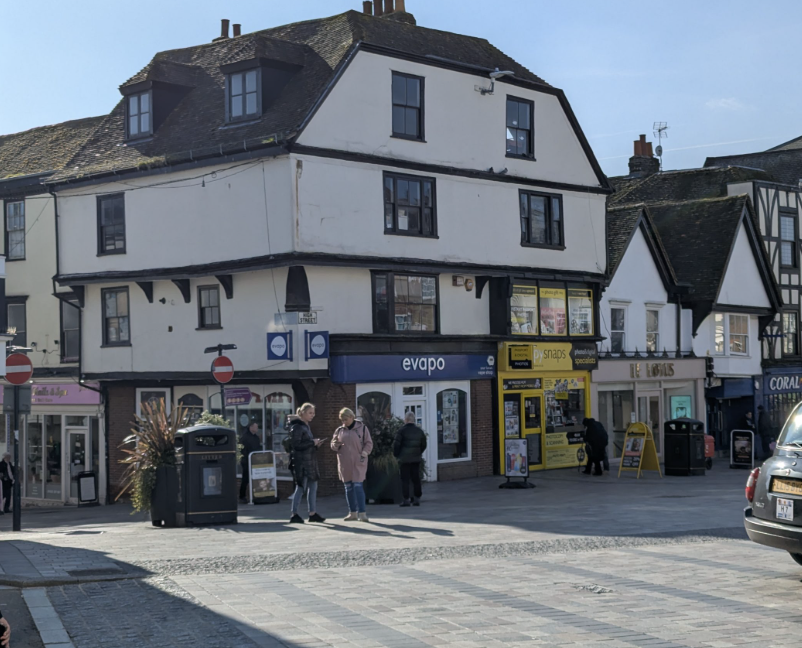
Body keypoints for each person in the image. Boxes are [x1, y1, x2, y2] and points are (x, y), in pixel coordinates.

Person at [331, 408, 373, 521]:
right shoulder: (339, 430)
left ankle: (362, 513)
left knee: (358, 486)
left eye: (346, 419)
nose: (344, 422)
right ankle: (352, 512)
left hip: (358, 462)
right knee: (348, 487)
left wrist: (364, 453)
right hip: (345, 463)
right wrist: (335, 444)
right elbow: (333, 445)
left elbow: (369, 443)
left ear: (351, 417)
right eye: (342, 420)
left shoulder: (362, 428)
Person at [289, 403, 326, 524]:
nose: (313, 415)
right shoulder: (298, 427)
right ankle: (294, 514)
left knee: (313, 487)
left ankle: (312, 513)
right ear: (303, 413)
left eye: (313, 413)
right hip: (302, 463)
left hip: (310, 461)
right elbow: (296, 445)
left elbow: (306, 445)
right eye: (310, 413)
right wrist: (312, 443)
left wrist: (315, 445)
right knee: (301, 487)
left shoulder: (306, 426)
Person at [393, 411, 427, 507]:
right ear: (413, 420)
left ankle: (406, 499)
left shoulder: (401, 431)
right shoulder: (420, 431)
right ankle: (417, 498)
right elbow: (423, 444)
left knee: (405, 479)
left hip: (404, 460)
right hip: (416, 459)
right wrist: (418, 452)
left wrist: (397, 455)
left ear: (406, 420)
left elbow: (396, 444)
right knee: (416, 479)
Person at [239, 422, 262, 503]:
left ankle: (255, 495)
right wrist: (245, 459)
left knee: (255, 478)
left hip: (255, 460)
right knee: (246, 479)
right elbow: (242, 450)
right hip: (246, 461)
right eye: (256, 427)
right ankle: (242, 496)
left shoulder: (256, 438)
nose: (257, 428)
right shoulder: (245, 437)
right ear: (251, 427)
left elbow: (258, 448)